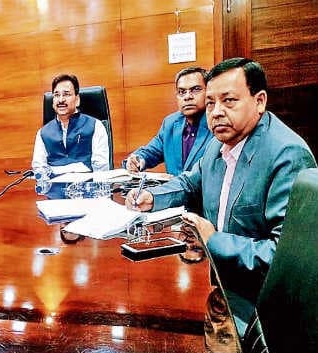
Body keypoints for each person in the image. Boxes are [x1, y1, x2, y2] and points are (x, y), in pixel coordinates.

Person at [126, 58, 316, 324]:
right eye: (211, 103)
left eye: (229, 101)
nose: (216, 112)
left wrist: (213, 240)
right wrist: (152, 197)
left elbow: (285, 258)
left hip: (263, 309)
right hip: (221, 287)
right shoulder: (219, 143)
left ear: (259, 101)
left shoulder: (286, 155)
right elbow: (190, 183)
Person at [123, 67, 213, 175]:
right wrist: (137, 160)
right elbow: (151, 152)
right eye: (182, 92)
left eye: (195, 89)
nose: (187, 97)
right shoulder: (170, 123)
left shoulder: (216, 124)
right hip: (172, 186)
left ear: (209, 92)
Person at [32, 74, 109, 172]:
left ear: (77, 100)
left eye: (66, 94)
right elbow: (39, 169)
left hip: (87, 181)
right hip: (54, 182)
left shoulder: (96, 126)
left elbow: (101, 168)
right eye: (56, 95)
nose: (61, 100)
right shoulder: (43, 133)